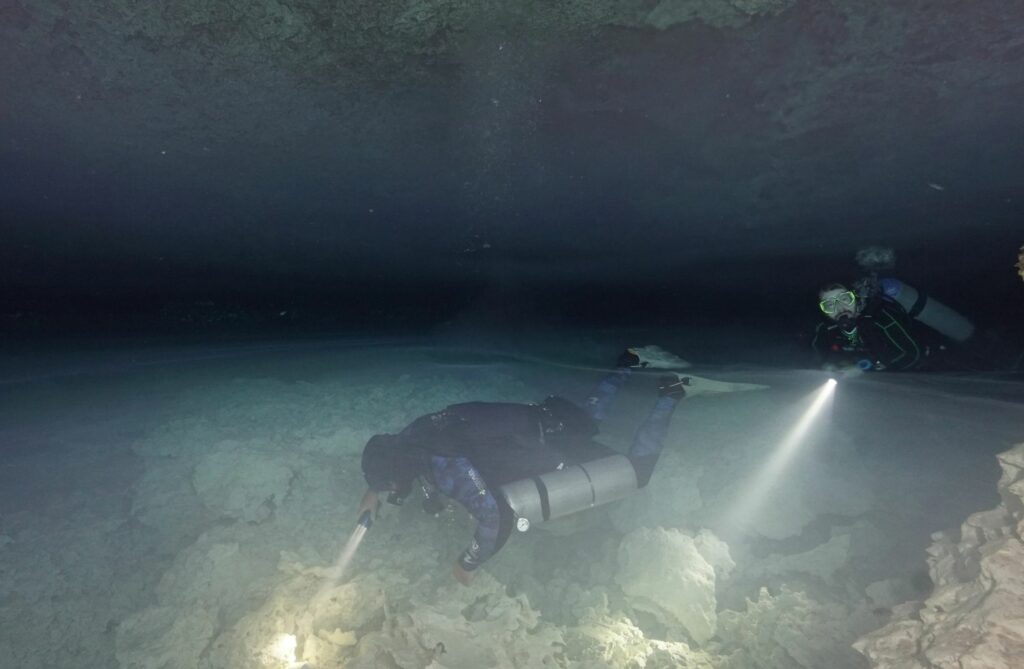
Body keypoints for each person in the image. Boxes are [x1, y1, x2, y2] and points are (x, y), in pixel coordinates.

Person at [356, 348, 688, 585]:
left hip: (553, 445)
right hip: (546, 417)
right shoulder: (414, 434)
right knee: (589, 419)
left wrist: (467, 563)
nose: (393, 490)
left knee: (637, 473)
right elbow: (396, 458)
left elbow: (496, 517)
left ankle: (672, 394)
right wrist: (373, 491)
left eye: (390, 485)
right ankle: (628, 362)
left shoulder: (446, 468)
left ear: (398, 470)